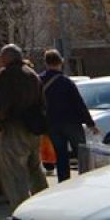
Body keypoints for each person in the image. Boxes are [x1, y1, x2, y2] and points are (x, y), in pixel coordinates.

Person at [0, 43, 49, 209]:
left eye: (2, 57)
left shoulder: (6, 74)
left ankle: (20, 208)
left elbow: (1, 105)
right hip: (33, 127)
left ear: (7, 58)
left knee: (15, 172)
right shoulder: (32, 74)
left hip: (14, 127)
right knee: (35, 169)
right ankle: (43, 204)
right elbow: (43, 102)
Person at [39, 49, 100, 182]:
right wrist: (90, 124)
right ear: (60, 62)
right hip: (71, 123)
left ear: (46, 63)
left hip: (52, 124)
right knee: (82, 154)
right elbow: (79, 104)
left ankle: (64, 183)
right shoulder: (66, 82)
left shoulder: (39, 81)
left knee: (61, 156)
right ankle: (86, 181)